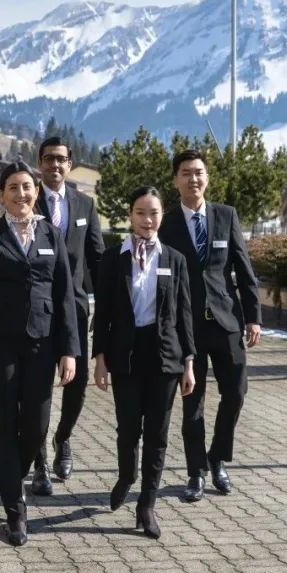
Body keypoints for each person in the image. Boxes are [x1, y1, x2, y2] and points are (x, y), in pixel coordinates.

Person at [0, 162, 78, 547]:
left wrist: (70, 350)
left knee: (37, 426)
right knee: (4, 425)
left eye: (27, 187)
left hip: (42, 345)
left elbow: (64, 295)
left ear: (36, 192)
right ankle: (15, 510)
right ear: (2, 195)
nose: (21, 194)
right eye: (13, 187)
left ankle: (15, 476)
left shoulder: (51, 234)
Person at [157, 150, 261, 502]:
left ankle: (217, 457)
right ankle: (196, 471)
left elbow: (244, 270)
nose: (194, 179)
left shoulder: (226, 216)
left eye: (199, 172)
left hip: (226, 321)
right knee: (193, 402)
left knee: (236, 393)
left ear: (207, 177)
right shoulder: (167, 223)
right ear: (176, 180)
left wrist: (254, 317)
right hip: (187, 329)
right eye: (186, 173)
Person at [92, 186, 196, 539]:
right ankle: (127, 475)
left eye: (153, 213)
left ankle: (147, 504)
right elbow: (103, 313)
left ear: (162, 216)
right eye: (140, 212)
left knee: (157, 433)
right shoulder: (113, 258)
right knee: (127, 428)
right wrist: (100, 358)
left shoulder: (174, 259)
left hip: (165, 356)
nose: (147, 220)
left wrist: (189, 362)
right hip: (125, 354)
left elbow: (184, 314)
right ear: (130, 216)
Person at [32, 136, 104, 493]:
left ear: (69, 164)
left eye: (61, 159)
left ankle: (63, 437)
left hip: (74, 311)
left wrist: (107, 306)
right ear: (40, 163)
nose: (55, 165)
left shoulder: (85, 205)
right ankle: (39, 462)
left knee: (77, 385)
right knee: (38, 389)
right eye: (48, 159)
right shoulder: (28, 201)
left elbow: (97, 259)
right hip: (36, 312)